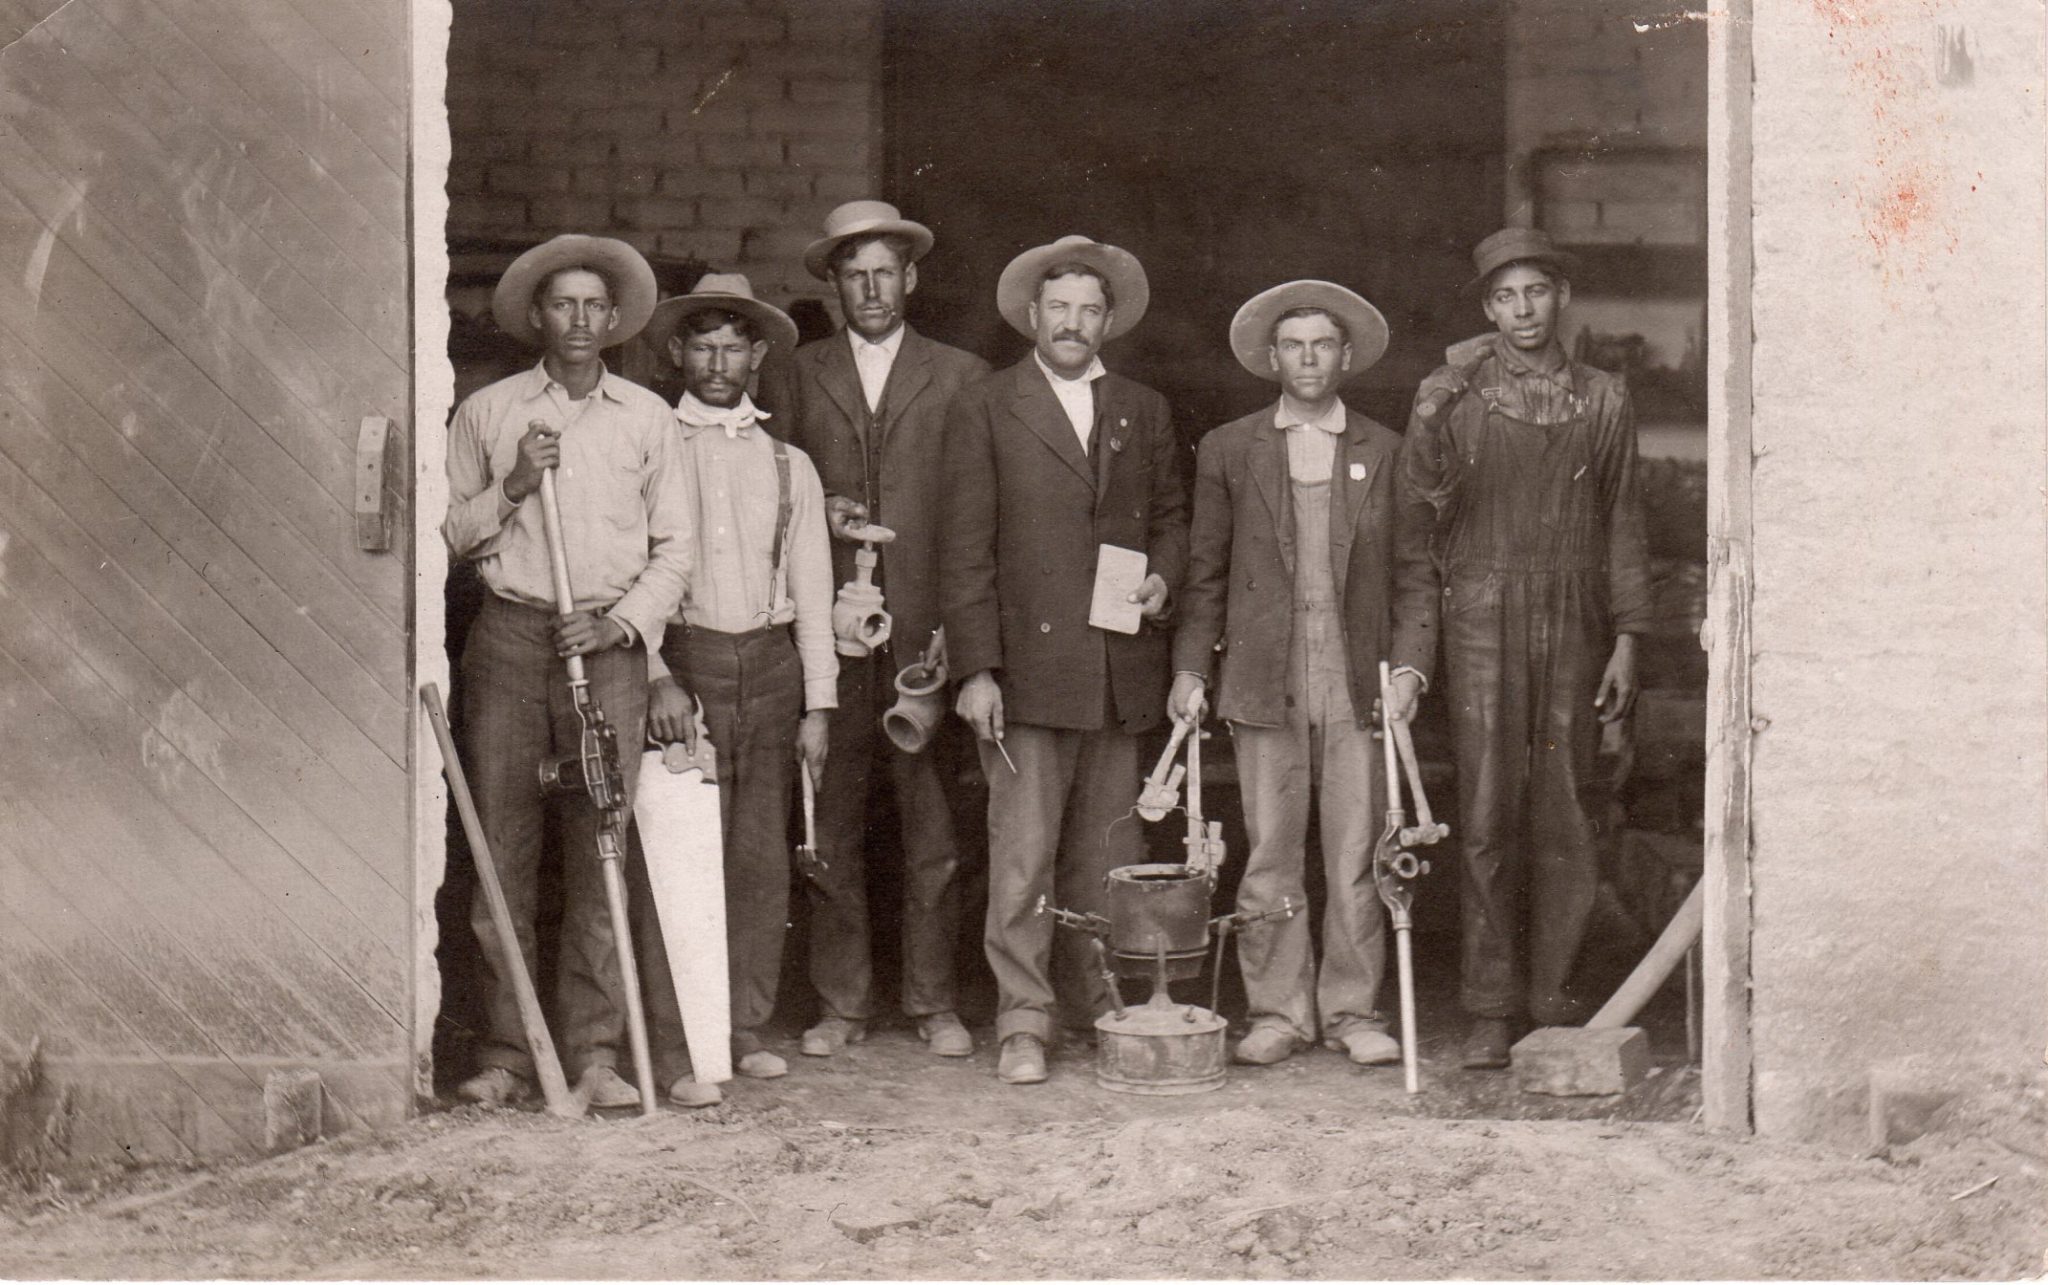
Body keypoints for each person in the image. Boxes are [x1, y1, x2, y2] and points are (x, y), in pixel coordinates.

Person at [441, 234, 690, 1110]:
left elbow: (676, 551)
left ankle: (595, 1054)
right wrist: (511, 485)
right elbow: (449, 538)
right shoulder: (489, 411)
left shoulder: (649, 418)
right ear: (536, 317)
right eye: (563, 305)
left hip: (608, 649)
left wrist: (618, 621)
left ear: (614, 319)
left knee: (600, 853)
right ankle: (513, 1053)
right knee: (502, 849)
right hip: (510, 639)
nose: (580, 320)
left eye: (595, 305)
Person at [1170, 281, 1438, 1068]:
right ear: (1271, 358)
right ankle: (1278, 1011)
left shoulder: (1386, 450)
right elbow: (1206, 574)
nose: (1310, 358)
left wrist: (1413, 670)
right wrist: (1191, 667)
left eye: (1324, 344)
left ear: (1346, 357)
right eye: (1295, 345)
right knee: (1271, 848)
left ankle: (1353, 1009)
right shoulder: (1229, 448)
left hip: (1358, 674)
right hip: (1263, 673)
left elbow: (1418, 574)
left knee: (1358, 847)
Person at [940, 235, 1188, 1085]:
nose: (1073, 322)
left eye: (1089, 309)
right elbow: (963, 546)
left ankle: (1095, 1002)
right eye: (1059, 308)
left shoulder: (1142, 408)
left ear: (1107, 320)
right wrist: (977, 668)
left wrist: (1164, 576)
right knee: (1022, 857)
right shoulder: (988, 403)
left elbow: (1172, 519)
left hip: (1117, 671)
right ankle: (1023, 1019)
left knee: (1105, 856)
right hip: (1029, 672)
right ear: (1032, 316)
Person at [1402, 227, 1652, 1070]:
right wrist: (1432, 410)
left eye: (1536, 293)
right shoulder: (1458, 391)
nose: (1522, 311)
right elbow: (1421, 499)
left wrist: (1628, 637)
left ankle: (1550, 995)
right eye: (1505, 297)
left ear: (1562, 298)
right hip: (1480, 608)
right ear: (1486, 308)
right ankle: (1486, 1004)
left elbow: (1623, 518)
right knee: (1484, 811)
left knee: (1565, 812)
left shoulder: (1605, 396)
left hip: (1576, 613)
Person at [778, 201, 993, 1061]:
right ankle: (842, 1003)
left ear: (912, 278)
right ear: (833, 286)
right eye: (853, 274)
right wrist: (815, 508)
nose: (871, 288)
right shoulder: (796, 373)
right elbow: (772, 490)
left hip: (925, 639)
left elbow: (981, 513)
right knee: (830, 822)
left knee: (933, 831)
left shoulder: (965, 373)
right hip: (829, 634)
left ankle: (935, 1000)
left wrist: (962, 631)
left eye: (885, 272)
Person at [633, 273, 837, 1094]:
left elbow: (814, 592)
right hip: (684, 663)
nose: (719, 363)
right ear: (678, 350)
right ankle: (678, 1037)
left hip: (771, 663)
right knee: (682, 852)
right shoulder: (654, 446)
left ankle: (742, 1024)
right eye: (702, 346)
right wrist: (652, 674)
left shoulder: (790, 464)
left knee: (758, 859)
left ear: (757, 356)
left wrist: (819, 702)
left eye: (734, 348)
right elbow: (632, 571)